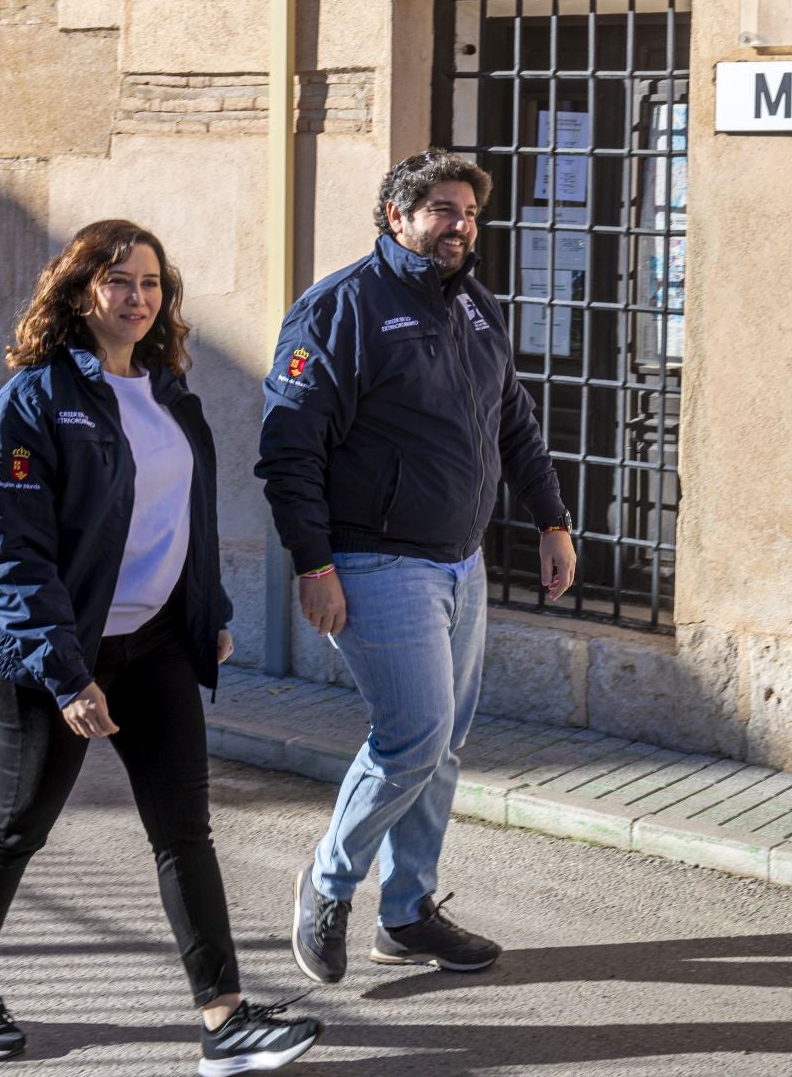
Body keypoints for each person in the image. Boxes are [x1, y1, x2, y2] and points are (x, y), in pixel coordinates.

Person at [0, 219, 320, 1075]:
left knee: (185, 832)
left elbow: (190, 515)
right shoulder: (30, 405)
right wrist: (68, 677)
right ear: (78, 294)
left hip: (156, 646)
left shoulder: (169, 390)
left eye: (150, 283)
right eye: (118, 282)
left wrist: (206, 609)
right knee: (20, 823)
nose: (138, 298)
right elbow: (16, 556)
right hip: (53, 657)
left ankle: (224, 1019)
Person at [258, 148, 578, 985]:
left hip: (459, 562)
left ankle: (407, 914)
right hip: (374, 561)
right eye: (440, 208)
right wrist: (313, 564)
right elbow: (288, 451)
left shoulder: (472, 302)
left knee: (442, 749)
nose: (459, 224)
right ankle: (327, 887)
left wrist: (551, 517)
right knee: (411, 741)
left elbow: (514, 417)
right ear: (395, 217)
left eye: (468, 211)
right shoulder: (340, 309)